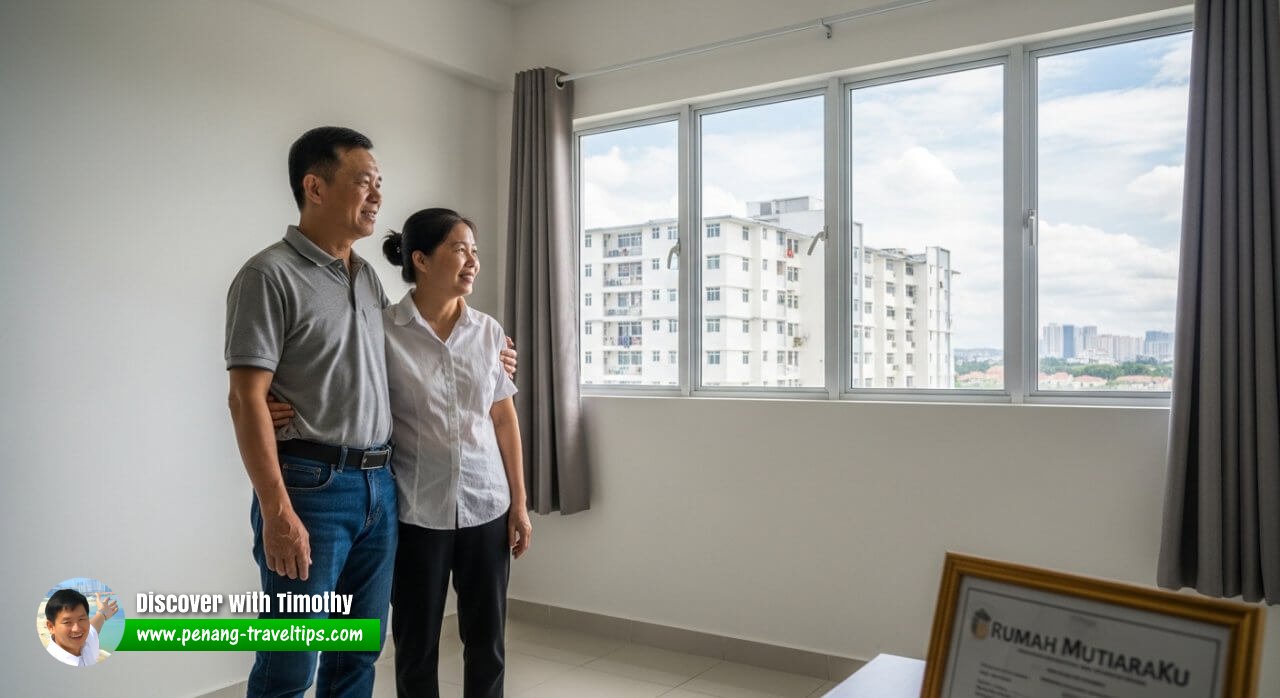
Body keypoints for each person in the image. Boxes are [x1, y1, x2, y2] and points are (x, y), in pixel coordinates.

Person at [225, 127, 516, 698]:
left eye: (380, 183)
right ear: (314, 187)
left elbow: (407, 355)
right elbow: (245, 396)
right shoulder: (269, 275)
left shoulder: (366, 280)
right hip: (312, 488)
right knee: (291, 659)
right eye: (364, 182)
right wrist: (276, 510)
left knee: (357, 655)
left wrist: (494, 352)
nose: (378, 196)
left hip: (381, 489)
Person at [382, 208, 531, 698]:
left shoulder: (489, 332)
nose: (473, 262)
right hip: (416, 511)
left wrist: (520, 505)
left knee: (487, 641)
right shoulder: (384, 331)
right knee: (416, 642)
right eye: (459, 249)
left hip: (486, 504)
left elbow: (504, 419)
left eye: (475, 251)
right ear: (421, 260)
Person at [44, 589, 118, 667]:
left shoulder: (87, 640)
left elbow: (95, 625)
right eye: (67, 622)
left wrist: (102, 613)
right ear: (51, 627)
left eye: (81, 619)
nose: (77, 629)